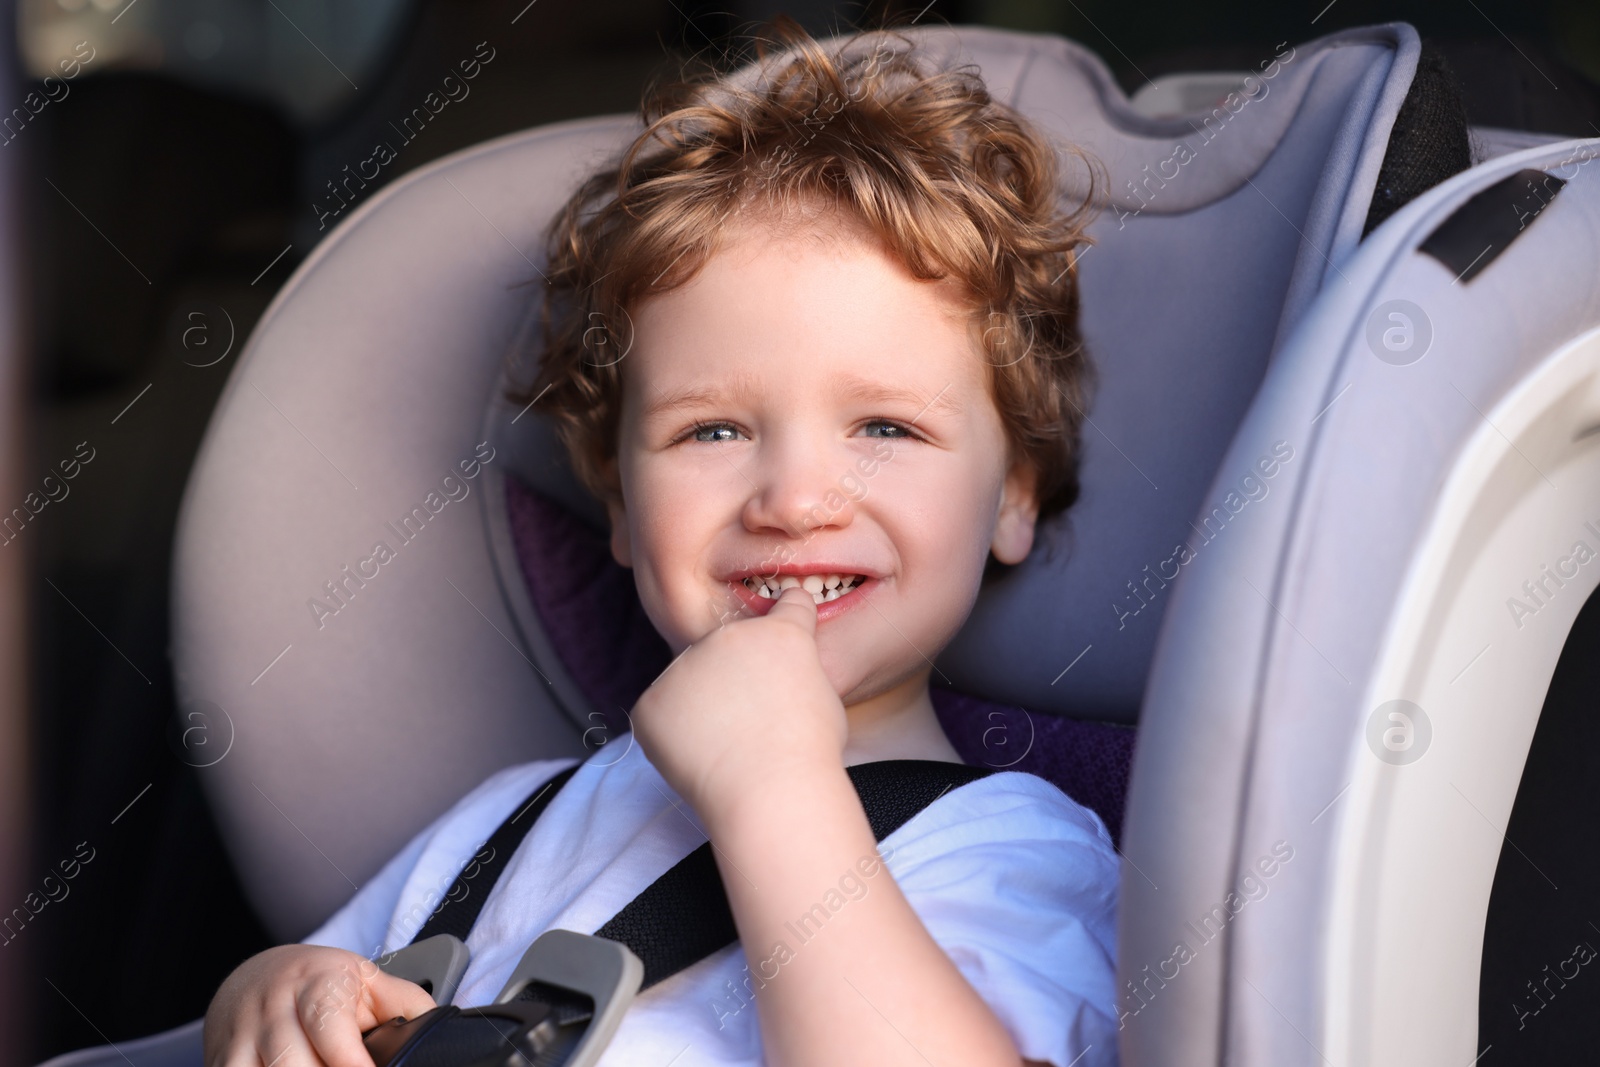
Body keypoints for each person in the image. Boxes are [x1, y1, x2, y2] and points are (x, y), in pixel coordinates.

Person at [203, 14, 1118, 1067]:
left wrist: (772, 785)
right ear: (625, 513)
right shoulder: (500, 827)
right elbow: (320, 996)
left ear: (1012, 496)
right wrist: (273, 991)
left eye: (884, 426)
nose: (794, 497)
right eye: (712, 429)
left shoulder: (1014, 851)